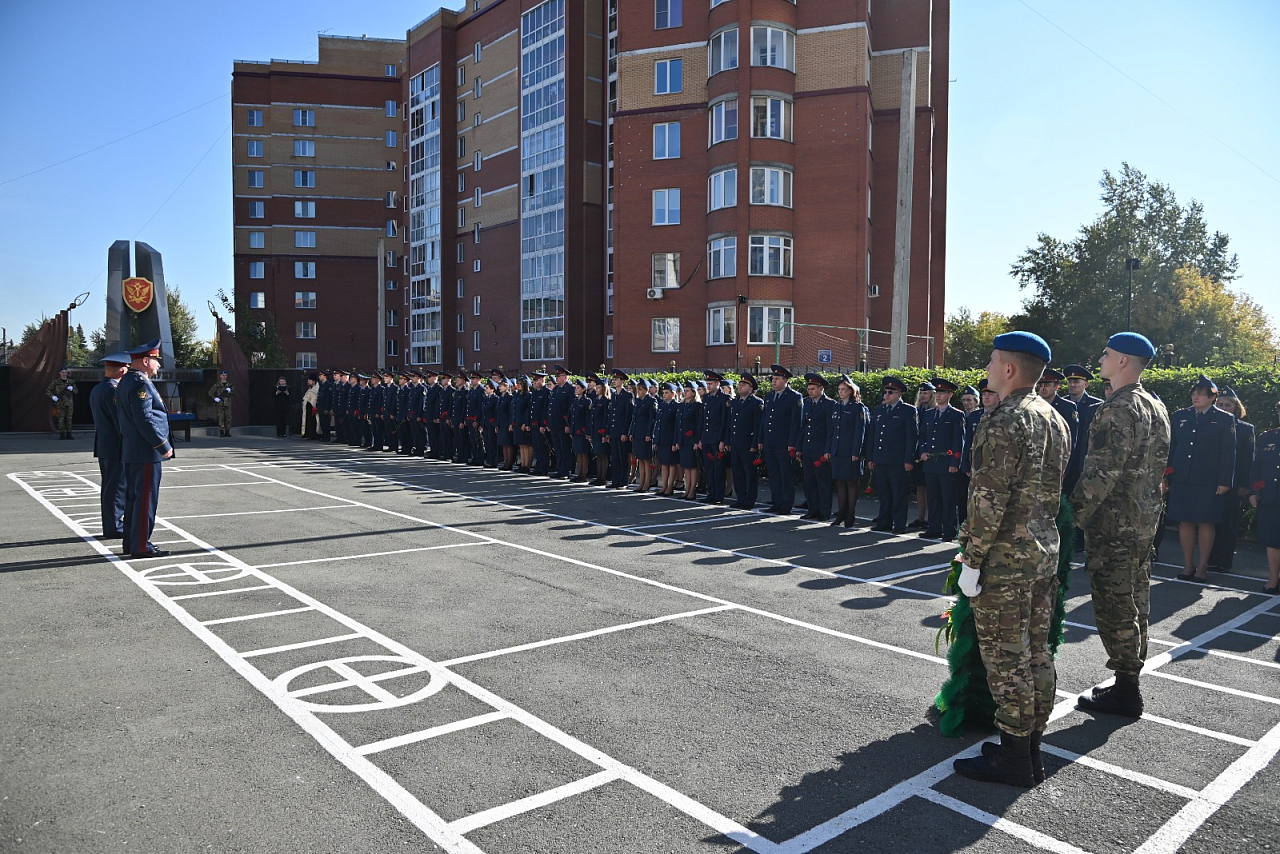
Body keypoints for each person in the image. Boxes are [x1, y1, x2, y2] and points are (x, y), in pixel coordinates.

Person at [953, 331, 1069, 788]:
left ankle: (1016, 760)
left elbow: (988, 500)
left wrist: (971, 560)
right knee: (1037, 653)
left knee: (1007, 660)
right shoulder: (1052, 417)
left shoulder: (1004, 420)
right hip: (1042, 555)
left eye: (992, 360)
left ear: (1008, 369)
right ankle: (1029, 747)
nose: (986, 368)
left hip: (1005, 559)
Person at [1070, 332, 1171, 718]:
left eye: (1107, 354)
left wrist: (1068, 519)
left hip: (1115, 526)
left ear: (1124, 361)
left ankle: (1127, 691)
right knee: (1136, 600)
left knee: (1115, 605)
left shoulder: (1118, 408)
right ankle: (1128, 682)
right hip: (1144, 523)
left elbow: (1100, 474)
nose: (1100, 360)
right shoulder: (1154, 405)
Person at [1166, 374, 1237, 582]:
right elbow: (1173, 447)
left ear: (1212, 397)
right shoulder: (1181, 416)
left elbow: (1228, 452)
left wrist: (1225, 481)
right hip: (1183, 477)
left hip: (1209, 480)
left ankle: (1202, 567)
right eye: (1194, 393)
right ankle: (1187, 566)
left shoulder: (1224, 419)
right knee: (1185, 522)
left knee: (1206, 523)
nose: (1195, 397)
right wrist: (1166, 474)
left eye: (1200, 394)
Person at [115, 340, 174, 558]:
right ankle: (141, 545)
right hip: (145, 450)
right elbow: (145, 419)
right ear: (146, 360)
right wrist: (162, 444)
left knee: (134, 498)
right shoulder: (140, 383)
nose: (158, 364)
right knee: (145, 499)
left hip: (133, 450)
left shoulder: (127, 380)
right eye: (156, 360)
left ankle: (132, 543)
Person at [1208, 388, 1255, 573]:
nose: (1224, 408)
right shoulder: (1210, 424)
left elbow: (1247, 460)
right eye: (1220, 405)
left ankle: (1224, 561)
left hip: (1234, 485)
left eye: (1228, 405)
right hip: (1211, 482)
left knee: (1228, 523)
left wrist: (1245, 485)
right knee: (1210, 522)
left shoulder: (1245, 429)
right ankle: (1209, 559)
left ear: (1236, 407)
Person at [868, 377, 918, 534]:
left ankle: (899, 524)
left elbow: (912, 437)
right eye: (885, 392)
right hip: (881, 459)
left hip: (898, 461)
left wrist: (909, 459)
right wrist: (871, 457)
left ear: (899, 394)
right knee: (884, 494)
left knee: (898, 494)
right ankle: (884, 522)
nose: (886, 395)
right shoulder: (879, 410)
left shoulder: (908, 411)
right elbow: (873, 436)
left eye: (890, 392)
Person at [89, 352, 130, 539]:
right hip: (115, 446)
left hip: (105, 445)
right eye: (127, 368)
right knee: (116, 488)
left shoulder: (98, 388)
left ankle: (112, 523)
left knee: (109, 487)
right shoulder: (113, 390)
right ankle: (114, 526)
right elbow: (119, 421)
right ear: (122, 369)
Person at [919, 377, 965, 541]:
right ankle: (934, 528)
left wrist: (955, 462)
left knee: (948, 498)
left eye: (942, 392)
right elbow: (922, 436)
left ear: (950, 394)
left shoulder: (956, 415)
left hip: (947, 463)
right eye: (937, 392)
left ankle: (949, 530)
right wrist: (922, 451)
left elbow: (958, 441)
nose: (938, 395)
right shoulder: (929, 414)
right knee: (933, 497)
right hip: (930, 463)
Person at [757, 365, 802, 515]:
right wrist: (761, 439)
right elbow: (764, 420)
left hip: (784, 444)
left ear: (785, 380)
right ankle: (776, 502)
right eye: (773, 379)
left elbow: (796, 422)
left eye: (777, 379)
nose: (773, 381)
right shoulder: (770, 396)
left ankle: (786, 504)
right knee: (774, 474)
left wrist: (792, 443)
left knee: (785, 475)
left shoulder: (794, 397)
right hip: (770, 442)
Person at [826, 376, 869, 528]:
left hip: (851, 451)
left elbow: (860, 432)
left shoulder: (858, 408)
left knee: (851, 482)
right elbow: (831, 430)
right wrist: (829, 449)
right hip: (838, 450)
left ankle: (851, 514)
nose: (841, 392)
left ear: (851, 391)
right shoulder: (837, 406)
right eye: (839, 390)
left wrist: (856, 451)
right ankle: (841, 513)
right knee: (840, 482)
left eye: (844, 389)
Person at [1249, 402, 1280, 595]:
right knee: (1272, 539)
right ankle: (1273, 577)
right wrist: (1254, 491)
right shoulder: (1267, 437)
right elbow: (1257, 467)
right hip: (1271, 496)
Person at [1036, 368, 1082, 496]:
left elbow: (1072, 440)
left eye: (1047, 385)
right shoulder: (1033, 405)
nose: (1043, 388)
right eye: (1041, 385)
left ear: (1057, 386)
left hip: (1057, 464)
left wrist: (1066, 469)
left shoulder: (1067, 407)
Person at [798, 373, 834, 521]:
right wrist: (799, 447)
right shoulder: (806, 403)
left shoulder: (829, 404)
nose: (810, 391)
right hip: (808, 448)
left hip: (820, 449)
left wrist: (827, 450)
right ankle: (812, 509)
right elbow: (803, 427)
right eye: (809, 388)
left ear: (821, 388)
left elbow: (830, 430)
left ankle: (824, 511)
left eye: (813, 388)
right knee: (810, 482)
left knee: (823, 482)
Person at [729, 375, 764, 510]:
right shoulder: (735, 402)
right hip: (736, 443)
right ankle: (741, 498)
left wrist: (755, 444)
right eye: (739, 384)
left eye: (743, 385)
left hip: (748, 444)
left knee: (749, 473)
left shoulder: (756, 403)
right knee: (738, 473)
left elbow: (758, 426)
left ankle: (750, 499)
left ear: (750, 388)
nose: (740, 386)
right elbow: (730, 424)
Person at [698, 371, 731, 504]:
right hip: (707, 438)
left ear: (718, 384)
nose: (708, 386)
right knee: (709, 467)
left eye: (710, 384)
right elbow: (703, 420)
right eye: (707, 384)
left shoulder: (724, 398)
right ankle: (711, 493)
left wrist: (723, 440)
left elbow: (725, 421)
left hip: (717, 439)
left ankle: (718, 495)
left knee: (718, 468)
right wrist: (700, 438)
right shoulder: (706, 398)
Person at [909, 381, 935, 528]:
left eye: (926, 393)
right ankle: (921, 518)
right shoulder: (916, 411)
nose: (923, 396)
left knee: (931, 488)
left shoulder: (935, 411)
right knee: (920, 486)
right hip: (918, 453)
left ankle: (932, 518)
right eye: (921, 393)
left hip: (930, 454)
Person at [956, 384, 983, 526]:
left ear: (976, 401)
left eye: (969, 400)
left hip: (977, 465)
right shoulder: (961, 416)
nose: (966, 403)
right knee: (961, 498)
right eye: (964, 400)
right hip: (962, 463)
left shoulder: (979, 416)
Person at [630, 378, 659, 493]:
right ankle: (641, 483)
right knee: (640, 459)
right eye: (638, 389)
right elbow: (634, 419)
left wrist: (649, 434)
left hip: (645, 434)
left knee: (646, 460)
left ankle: (647, 482)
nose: (639, 391)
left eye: (641, 389)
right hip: (637, 433)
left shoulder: (651, 402)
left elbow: (652, 420)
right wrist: (632, 432)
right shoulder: (637, 401)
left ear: (646, 390)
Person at [606, 370, 634, 488]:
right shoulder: (614, 395)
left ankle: (623, 481)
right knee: (615, 457)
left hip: (621, 432)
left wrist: (624, 432)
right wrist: (608, 433)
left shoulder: (627, 395)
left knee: (623, 457)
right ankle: (615, 480)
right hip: (614, 431)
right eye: (614, 379)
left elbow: (628, 416)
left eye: (617, 379)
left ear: (622, 381)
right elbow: (610, 415)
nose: (614, 381)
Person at [676, 381, 702, 500]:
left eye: (687, 391)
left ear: (693, 392)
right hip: (683, 439)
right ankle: (687, 489)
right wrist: (677, 439)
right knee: (686, 465)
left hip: (691, 439)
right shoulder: (681, 405)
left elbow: (698, 424)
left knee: (692, 466)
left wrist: (696, 441)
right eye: (684, 390)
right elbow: (678, 424)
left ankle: (692, 490)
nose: (685, 393)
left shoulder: (696, 405)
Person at [655, 381, 680, 497]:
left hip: (670, 439)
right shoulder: (662, 405)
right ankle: (664, 486)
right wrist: (656, 440)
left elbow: (677, 426)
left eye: (666, 393)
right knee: (664, 464)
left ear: (673, 394)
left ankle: (670, 486)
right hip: (662, 439)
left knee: (671, 464)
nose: (664, 395)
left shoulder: (676, 406)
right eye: (663, 393)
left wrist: (675, 442)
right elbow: (658, 424)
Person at [590, 374, 612, 485]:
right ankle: (599, 476)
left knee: (603, 455)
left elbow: (606, 418)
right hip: (595, 431)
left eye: (598, 387)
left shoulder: (606, 401)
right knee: (598, 455)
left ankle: (603, 477)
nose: (596, 389)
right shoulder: (595, 400)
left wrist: (605, 433)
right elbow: (592, 417)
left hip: (601, 432)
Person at [570, 378, 593, 481]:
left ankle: (583, 474)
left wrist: (587, 431)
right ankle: (579, 473)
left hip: (582, 431)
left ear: (584, 389)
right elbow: (573, 417)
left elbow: (588, 418)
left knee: (584, 453)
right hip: (575, 431)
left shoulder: (587, 401)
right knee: (578, 453)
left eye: (578, 388)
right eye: (576, 387)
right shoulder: (575, 400)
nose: (576, 389)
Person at [47, 367, 78, 439]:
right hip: (60, 403)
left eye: (65, 372)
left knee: (69, 418)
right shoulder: (56, 382)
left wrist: (72, 389)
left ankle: (69, 433)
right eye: (63, 372)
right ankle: (62, 434)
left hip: (69, 403)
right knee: (61, 418)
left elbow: (76, 391)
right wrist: (52, 396)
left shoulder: (71, 382)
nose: (64, 374)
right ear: (60, 373)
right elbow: (48, 390)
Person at [302, 374, 320, 439]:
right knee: (309, 421)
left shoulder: (317, 388)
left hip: (313, 408)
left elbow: (315, 398)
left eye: (309, 381)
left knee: (314, 422)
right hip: (308, 409)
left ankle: (315, 434)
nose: (308, 382)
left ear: (313, 381)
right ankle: (308, 433)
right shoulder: (310, 389)